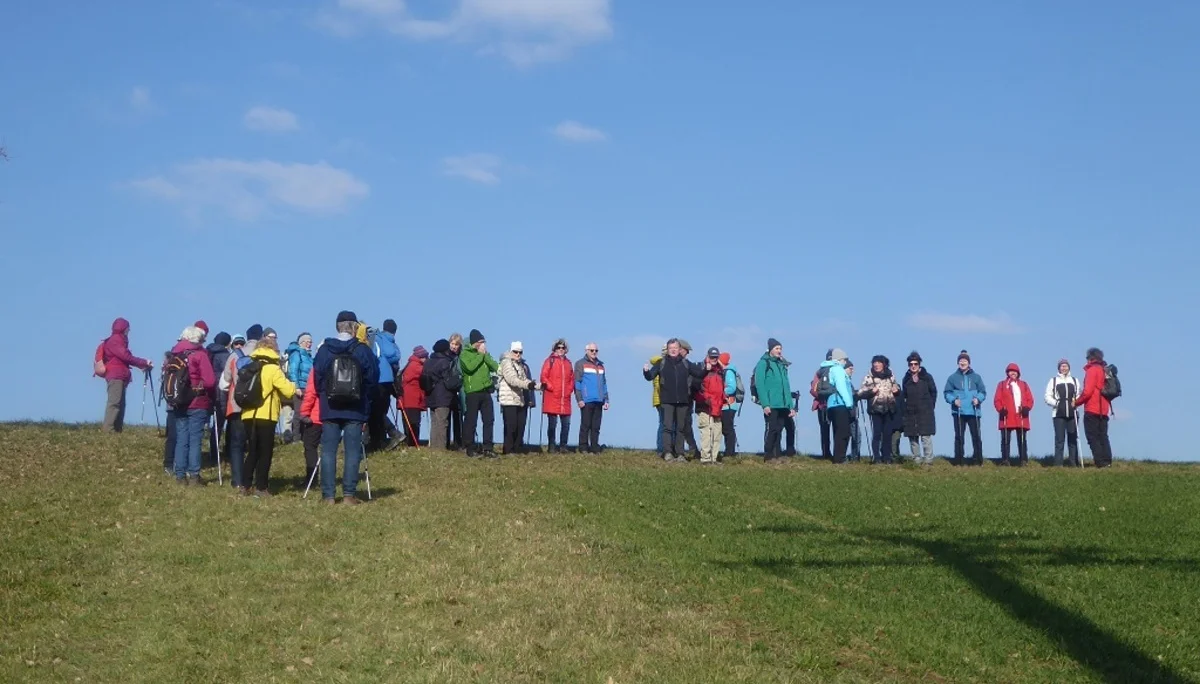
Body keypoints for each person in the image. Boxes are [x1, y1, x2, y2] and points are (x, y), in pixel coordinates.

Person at [313, 310, 380, 505]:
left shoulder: (325, 349)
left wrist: (324, 396)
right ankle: (349, 494)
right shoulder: (362, 350)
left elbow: (317, 377)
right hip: (355, 407)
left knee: (328, 451)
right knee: (352, 451)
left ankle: (328, 496)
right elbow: (372, 379)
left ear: (337, 326)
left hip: (330, 406)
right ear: (354, 327)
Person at [239, 335, 297, 496]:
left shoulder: (250, 366)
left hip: (248, 414)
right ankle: (261, 487)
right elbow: (288, 390)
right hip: (266, 415)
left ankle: (245, 485)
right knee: (265, 452)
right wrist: (294, 385)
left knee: (252, 451)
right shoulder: (273, 368)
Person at [644, 338, 705, 462]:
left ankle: (680, 454)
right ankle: (667, 453)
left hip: (683, 400)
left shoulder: (685, 363)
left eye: (675, 348)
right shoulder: (661, 363)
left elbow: (699, 374)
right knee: (667, 427)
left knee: (680, 428)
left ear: (679, 349)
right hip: (666, 400)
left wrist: (707, 369)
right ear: (667, 350)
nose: (673, 350)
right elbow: (650, 376)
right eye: (671, 348)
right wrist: (645, 371)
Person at [169, 326, 216, 486]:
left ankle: (180, 475)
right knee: (195, 439)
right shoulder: (200, 355)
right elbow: (210, 381)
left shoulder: (174, 354)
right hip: (197, 401)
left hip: (178, 401)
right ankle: (194, 475)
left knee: (182, 438)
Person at [97, 317, 153, 432]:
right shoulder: (116, 340)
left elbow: (125, 358)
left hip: (119, 375)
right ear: (124, 328)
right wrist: (143, 362)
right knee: (115, 402)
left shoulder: (119, 340)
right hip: (116, 375)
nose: (129, 331)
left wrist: (141, 365)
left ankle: (116, 429)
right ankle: (108, 430)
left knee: (120, 403)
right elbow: (126, 356)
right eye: (128, 328)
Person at [220, 328, 259, 490]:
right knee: (256, 444)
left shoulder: (235, 355)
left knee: (237, 444)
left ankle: (237, 480)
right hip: (258, 406)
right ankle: (253, 479)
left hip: (237, 405)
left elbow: (224, 382)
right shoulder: (264, 354)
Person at [752, 338, 795, 461]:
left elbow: (786, 386)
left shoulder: (781, 364)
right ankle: (768, 455)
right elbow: (760, 384)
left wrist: (790, 406)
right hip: (771, 403)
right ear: (770, 349)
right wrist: (765, 404)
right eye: (777, 348)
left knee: (780, 429)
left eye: (780, 348)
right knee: (772, 429)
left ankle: (777, 455)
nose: (779, 351)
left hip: (782, 404)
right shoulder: (763, 363)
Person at [460, 329, 499, 458]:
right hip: (472, 392)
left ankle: (488, 447)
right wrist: (480, 355)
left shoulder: (484, 354)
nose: (483, 344)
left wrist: (485, 355)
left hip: (486, 391)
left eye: (484, 342)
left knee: (489, 420)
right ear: (474, 342)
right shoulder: (465, 354)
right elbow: (470, 367)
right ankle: (469, 447)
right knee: (471, 420)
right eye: (481, 342)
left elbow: (495, 367)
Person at [944, 350, 987, 466]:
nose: (962, 363)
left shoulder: (976, 377)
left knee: (976, 436)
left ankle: (978, 460)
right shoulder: (952, 378)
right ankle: (958, 460)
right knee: (959, 437)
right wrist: (953, 400)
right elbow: (947, 393)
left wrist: (978, 399)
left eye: (965, 360)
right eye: (960, 361)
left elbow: (983, 392)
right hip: (959, 411)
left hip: (974, 411)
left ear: (969, 362)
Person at [857, 355, 901, 464]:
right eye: (874, 362)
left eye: (878, 362)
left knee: (887, 434)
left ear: (884, 364)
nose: (876, 365)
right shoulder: (869, 377)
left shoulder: (891, 376)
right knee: (877, 434)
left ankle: (887, 457)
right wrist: (871, 392)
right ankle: (876, 458)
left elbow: (896, 388)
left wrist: (897, 390)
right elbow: (860, 394)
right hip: (875, 409)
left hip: (889, 408)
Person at [369, 319, 404, 452]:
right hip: (388, 379)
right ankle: (380, 440)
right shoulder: (392, 341)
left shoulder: (378, 338)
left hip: (378, 378)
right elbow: (394, 355)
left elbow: (376, 355)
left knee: (375, 410)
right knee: (381, 410)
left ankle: (390, 435)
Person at [498, 341, 538, 455]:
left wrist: (538, 386)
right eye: (515, 352)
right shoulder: (506, 363)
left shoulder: (520, 365)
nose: (518, 354)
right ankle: (508, 449)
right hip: (508, 399)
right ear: (511, 351)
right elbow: (512, 380)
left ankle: (517, 448)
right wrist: (528, 385)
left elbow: (525, 380)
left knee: (520, 425)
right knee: (511, 426)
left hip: (519, 399)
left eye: (520, 352)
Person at [1076, 347, 1113, 468]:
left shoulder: (1092, 370)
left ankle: (1100, 462)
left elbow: (1087, 391)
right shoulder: (1105, 370)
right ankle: (1107, 461)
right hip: (1105, 408)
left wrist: (1076, 402)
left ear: (1090, 358)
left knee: (1092, 436)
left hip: (1092, 408)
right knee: (1103, 435)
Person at [994, 363, 1034, 466]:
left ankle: (1023, 460)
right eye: (1011, 371)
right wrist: (1000, 410)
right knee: (1005, 439)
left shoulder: (1024, 384)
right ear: (1007, 373)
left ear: (1018, 373)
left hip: (1021, 415)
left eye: (1015, 371)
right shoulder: (1002, 384)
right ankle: (1005, 460)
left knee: (1022, 440)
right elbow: (997, 400)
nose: (1013, 373)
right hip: (1006, 415)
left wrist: (1027, 408)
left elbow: (1030, 399)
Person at [818, 348, 854, 464]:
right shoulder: (837, 369)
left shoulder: (828, 369)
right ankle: (840, 458)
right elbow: (841, 388)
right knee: (843, 432)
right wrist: (849, 404)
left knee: (838, 431)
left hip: (831, 405)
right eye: (844, 359)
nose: (845, 362)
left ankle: (838, 457)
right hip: (840, 404)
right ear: (839, 359)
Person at [901, 351, 937, 464]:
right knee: (913, 437)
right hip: (911, 412)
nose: (913, 366)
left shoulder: (927, 377)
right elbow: (904, 395)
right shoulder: (906, 379)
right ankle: (916, 458)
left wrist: (930, 406)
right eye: (911, 364)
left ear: (919, 364)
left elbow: (934, 392)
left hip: (925, 411)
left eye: (915, 364)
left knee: (925, 437)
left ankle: (928, 459)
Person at [1044, 359, 1081, 467]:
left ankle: (1073, 463)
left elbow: (1079, 394)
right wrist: (1057, 403)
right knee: (1059, 439)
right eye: (1062, 366)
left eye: (1066, 366)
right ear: (1059, 368)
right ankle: (1058, 464)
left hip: (1073, 413)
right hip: (1058, 414)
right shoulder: (1053, 380)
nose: (1064, 368)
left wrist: (1076, 402)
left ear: (1069, 368)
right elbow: (1047, 396)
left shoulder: (1074, 380)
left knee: (1073, 439)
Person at [422, 339, 458, 451]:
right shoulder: (445, 362)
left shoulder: (428, 362)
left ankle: (434, 447)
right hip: (443, 396)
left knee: (434, 423)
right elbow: (449, 381)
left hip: (430, 395)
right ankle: (441, 448)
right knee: (442, 422)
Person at [574, 342, 609, 454]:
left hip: (599, 400)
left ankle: (594, 447)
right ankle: (583, 447)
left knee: (596, 426)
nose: (594, 352)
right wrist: (579, 399)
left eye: (596, 350)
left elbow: (604, 383)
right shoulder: (580, 364)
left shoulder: (600, 365)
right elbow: (577, 382)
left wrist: (606, 399)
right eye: (592, 350)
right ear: (587, 351)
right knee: (585, 424)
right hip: (587, 399)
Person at [540, 338, 574, 453]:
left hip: (565, 398)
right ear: (554, 349)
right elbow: (544, 376)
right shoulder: (549, 361)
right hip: (552, 397)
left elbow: (571, 379)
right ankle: (552, 446)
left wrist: (569, 390)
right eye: (558, 347)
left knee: (566, 424)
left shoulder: (568, 363)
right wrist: (551, 388)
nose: (560, 350)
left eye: (562, 348)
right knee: (552, 424)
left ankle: (563, 446)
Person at [695, 348, 726, 465]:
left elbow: (721, 388)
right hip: (705, 406)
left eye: (716, 357)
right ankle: (705, 459)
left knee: (717, 433)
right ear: (707, 356)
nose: (714, 359)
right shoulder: (700, 368)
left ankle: (714, 457)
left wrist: (724, 397)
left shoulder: (720, 371)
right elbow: (697, 386)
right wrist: (706, 399)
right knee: (706, 432)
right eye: (712, 357)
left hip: (717, 407)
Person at [286, 333, 314, 440]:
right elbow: (293, 370)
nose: (309, 344)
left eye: (310, 342)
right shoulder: (296, 354)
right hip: (300, 387)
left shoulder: (309, 356)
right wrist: (296, 386)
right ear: (301, 343)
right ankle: (296, 437)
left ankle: (303, 436)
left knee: (305, 412)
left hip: (308, 387)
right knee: (298, 412)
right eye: (306, 342)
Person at [398, 346, 428, 447]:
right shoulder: (417, 367)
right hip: (413, 400)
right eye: (425, 357)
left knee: (408, 423)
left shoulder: (410, 364)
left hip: (406, 400)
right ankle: (413, 444)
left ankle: (409, 443)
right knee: (414, 423)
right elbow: (427, 374)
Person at [808, 350, 835, 460]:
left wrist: (820, 395)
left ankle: (826, 453)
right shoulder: (824, 372)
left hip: (821, 404)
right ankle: (831, 453)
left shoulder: (820, 372)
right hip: (829, 404)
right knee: (833, 429)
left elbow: (813, 389)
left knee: (824, 429)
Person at [298, 367, 322, 487]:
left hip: (315, 415)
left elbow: (311, 392)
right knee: (329, 450)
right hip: (332, 415)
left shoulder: (317, 368)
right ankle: (329, 480)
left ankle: (312, 479)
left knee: (310, 447)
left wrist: (304, 412)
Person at [447, 333, 466, 450]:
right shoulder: (447, 356)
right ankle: (448, 442)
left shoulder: (461, 357)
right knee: (447, 417)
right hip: (449, 389)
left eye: (456, 344)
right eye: (452, 343)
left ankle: (459, 441)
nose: (454, 346)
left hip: (459, 390)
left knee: (458, 417)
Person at [719, 352, 740, 458]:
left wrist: (719, 392)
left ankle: (730, 453)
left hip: (728, 405)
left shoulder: (728, 372)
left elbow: (732, 387)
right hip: (727, 405)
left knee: (727, 429)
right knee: (726, 429)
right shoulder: (727, 371)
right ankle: (729, 452)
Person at [648, 345, 666, 454]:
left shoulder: (657, 364)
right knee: (664, 423)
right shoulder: (661, 365)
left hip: (657, 399)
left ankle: (662, 447)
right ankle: (661, 447)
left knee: (663, 423)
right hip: (661, 398)